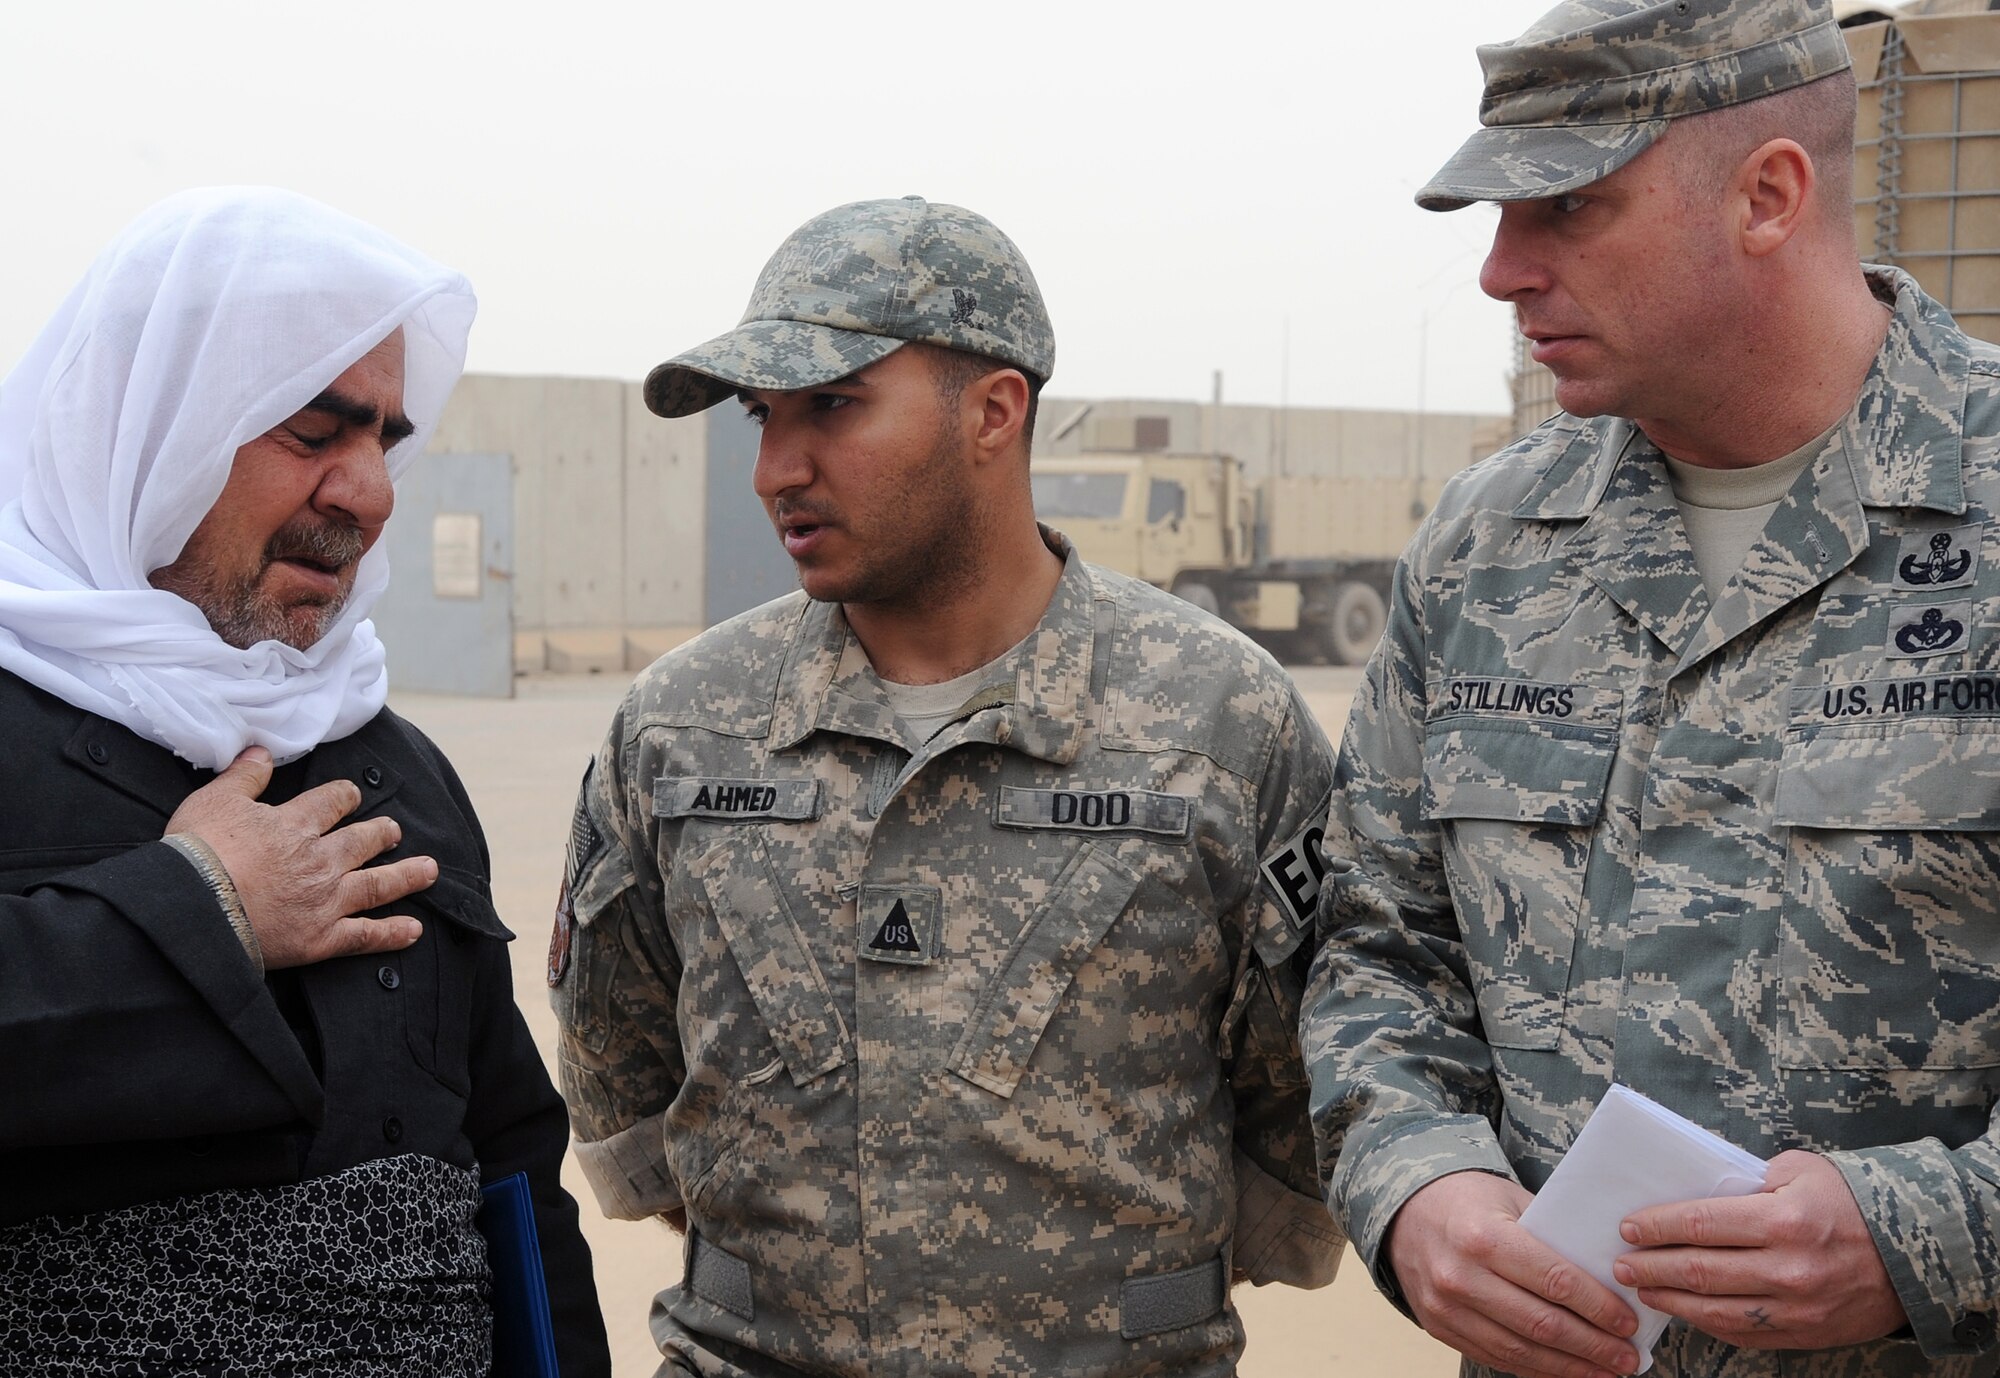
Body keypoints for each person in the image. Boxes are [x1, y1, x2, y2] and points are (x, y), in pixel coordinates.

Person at [1302, 3, 2000, 1377]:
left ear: (1767, 197)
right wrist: (1421, 1186)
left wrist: (1933, 1234)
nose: (1500, 271)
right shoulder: (1487, 546)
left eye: (1566, 207)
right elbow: (1376, 947)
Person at [551, 195, 1341, 1376]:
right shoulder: (682, 726)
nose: (775, 470)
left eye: (831, 406)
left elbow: (1300, 1104)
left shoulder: (1218, 721)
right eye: (763, 417)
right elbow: (623, 1076)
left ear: (993, 411)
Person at [0, 188, 610, 1376]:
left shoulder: (390, 761)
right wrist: (197, 911)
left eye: (384, 440)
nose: (368, 492)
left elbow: (511, 1164)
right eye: (312, 432)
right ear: (155, 425)